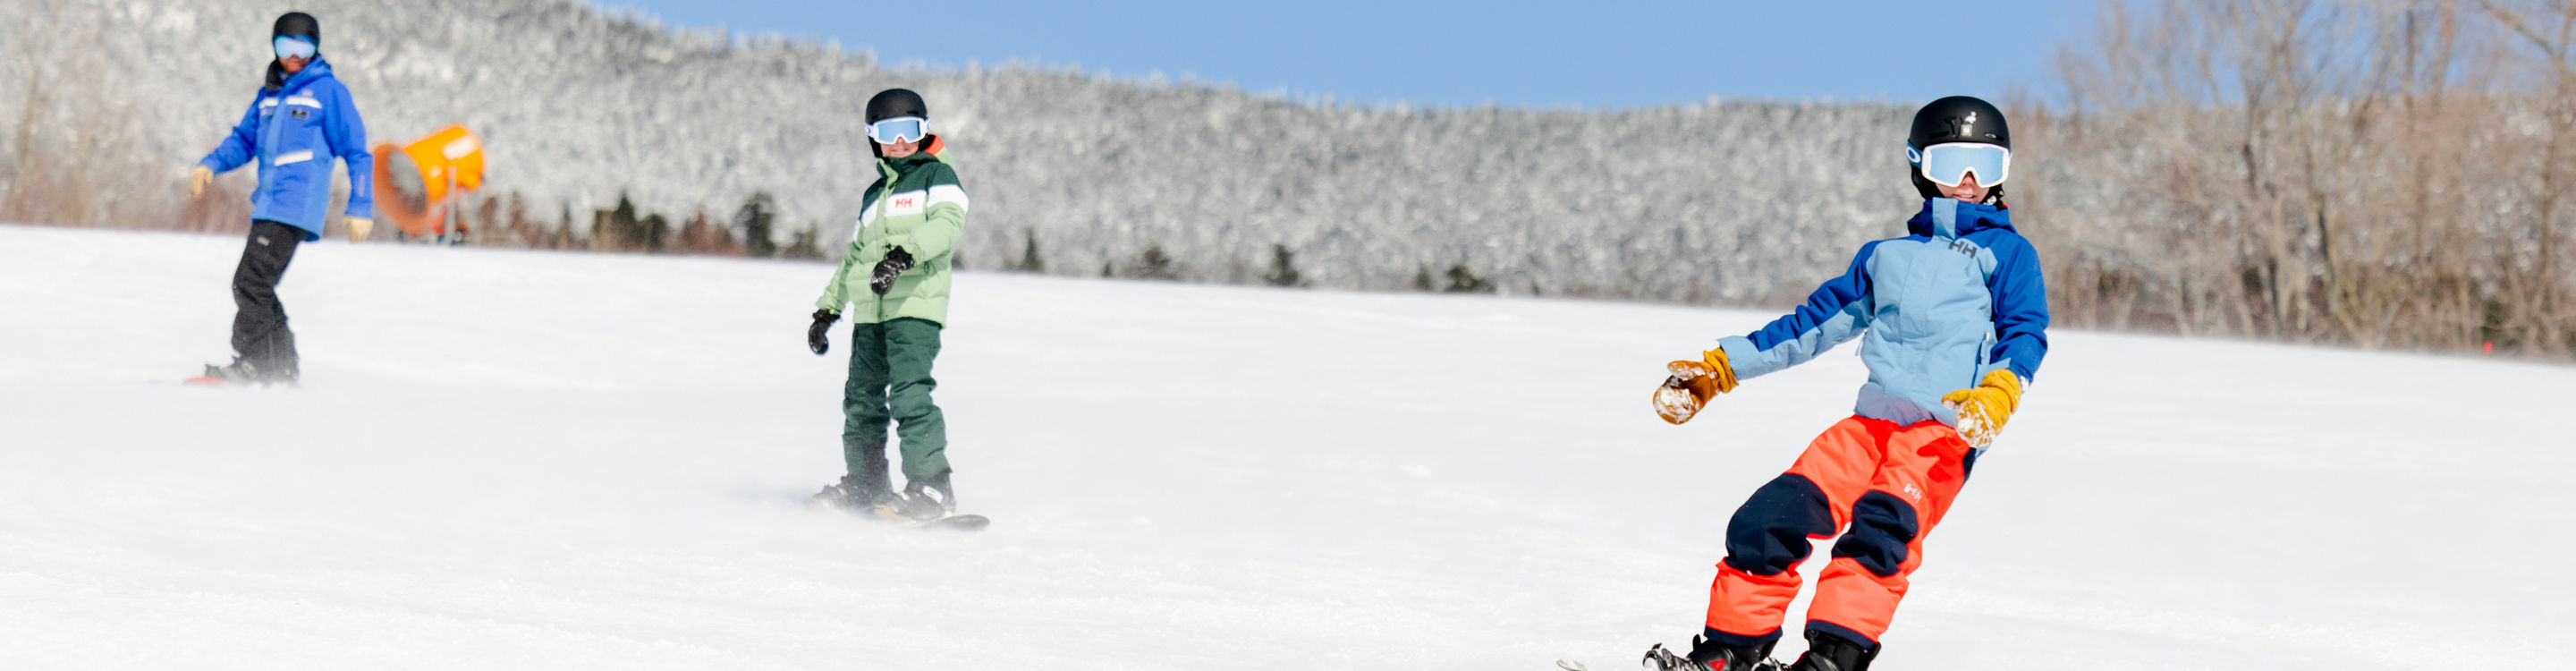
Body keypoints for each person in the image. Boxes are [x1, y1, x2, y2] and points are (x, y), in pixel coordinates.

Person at [1640, 96, 2049, 671]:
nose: (1967, 181)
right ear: (1917, 165)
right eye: (1951, 162)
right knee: (1770, 516)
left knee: (1881, 533)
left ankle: (1831, 661)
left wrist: (1999, 392)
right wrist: (1721, 370)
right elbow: (1809, 326)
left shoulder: (2008, 255)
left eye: (1984, 166)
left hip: (1943, 434)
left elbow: (2024, 334)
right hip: (1869, 427)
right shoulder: (1884, 257)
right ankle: (1729, 651)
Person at [806, 89, 970, 521]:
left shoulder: (938, 177)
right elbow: (854, 258)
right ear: (872, 138)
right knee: (860, 399)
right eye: (888, 132)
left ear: (924, 130)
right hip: (870, 315)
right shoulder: (874, 195)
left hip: (915, 308)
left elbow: (948, 226)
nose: (899, 142)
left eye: (910, 130)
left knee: (910, 396)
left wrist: (903, 256)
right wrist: (828, 310)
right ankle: (866, 483)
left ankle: (932, 489)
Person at [188, 11, 373, 386]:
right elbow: (243, 140)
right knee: (257, 284)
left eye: (303, 46)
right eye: (285, 45)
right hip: (269, 204)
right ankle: (280, 368)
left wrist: (361, 205)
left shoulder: (328, 92)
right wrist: (210, 165)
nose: (294, 54)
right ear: (274, 46)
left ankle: (255, 363)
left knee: (249, 282)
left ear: (316, 48)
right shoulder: (270, 95)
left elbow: (357, 152)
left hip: (296, 205)